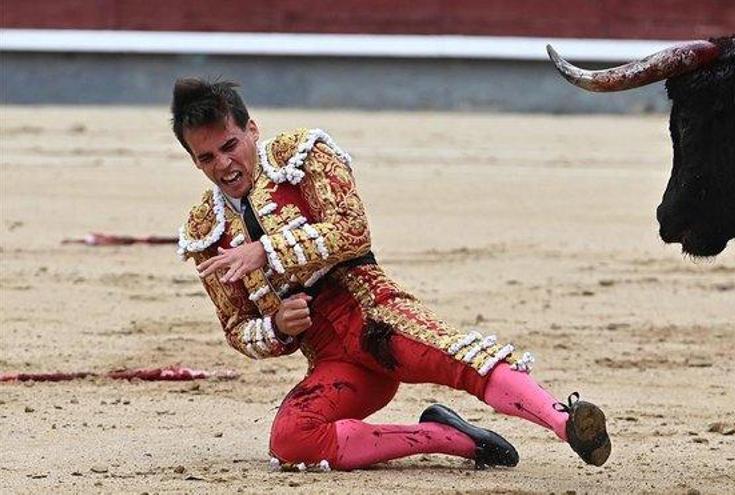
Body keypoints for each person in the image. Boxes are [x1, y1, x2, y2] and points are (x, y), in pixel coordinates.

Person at [173, 78, 611, 471]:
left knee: (461, 357)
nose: (223, 165)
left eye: (230, 146)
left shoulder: (303, 156)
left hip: (374, 314)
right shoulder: (205, 231)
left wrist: (266, 252)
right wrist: (277, 327)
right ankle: (450, 439)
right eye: (207, 156)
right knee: (292, 440)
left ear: (252, 130)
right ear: (195, 162)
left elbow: (352, 230)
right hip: (334, 360)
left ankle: (565, 422)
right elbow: (236, 327)